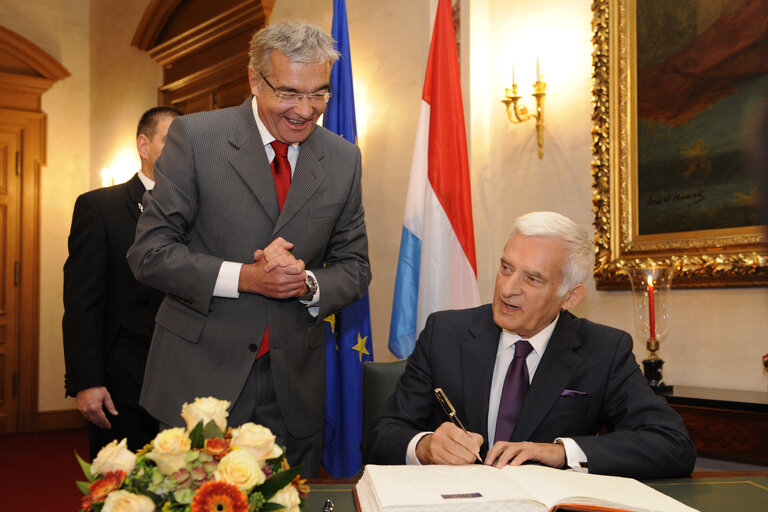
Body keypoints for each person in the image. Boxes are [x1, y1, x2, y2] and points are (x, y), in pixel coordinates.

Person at [126, 21, 370, 476]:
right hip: (197, 382)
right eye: (290, 93)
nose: (305, 110)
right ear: (255, 80)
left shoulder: (342, 159)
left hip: (294, 390)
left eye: (318, 94)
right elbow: (150, 252)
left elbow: (354, 267)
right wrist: (245, 277)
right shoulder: (196, 138)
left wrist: (307, 282)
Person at [363, 211, 696, 479]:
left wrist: (560, 452)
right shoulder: (446, 333)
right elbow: (381, 435)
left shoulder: (603, 350)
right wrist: (425, 446)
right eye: (506, 268)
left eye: (532, 279)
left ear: (570, 297)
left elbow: (673, 445)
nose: (508, 289)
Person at [63, 106, 182, 458]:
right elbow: (83, 302)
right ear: (144, 146)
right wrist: (87, 381)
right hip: (125, 382)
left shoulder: (203, 210)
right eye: (171, 141)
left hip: (188, 378)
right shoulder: (101, 208)